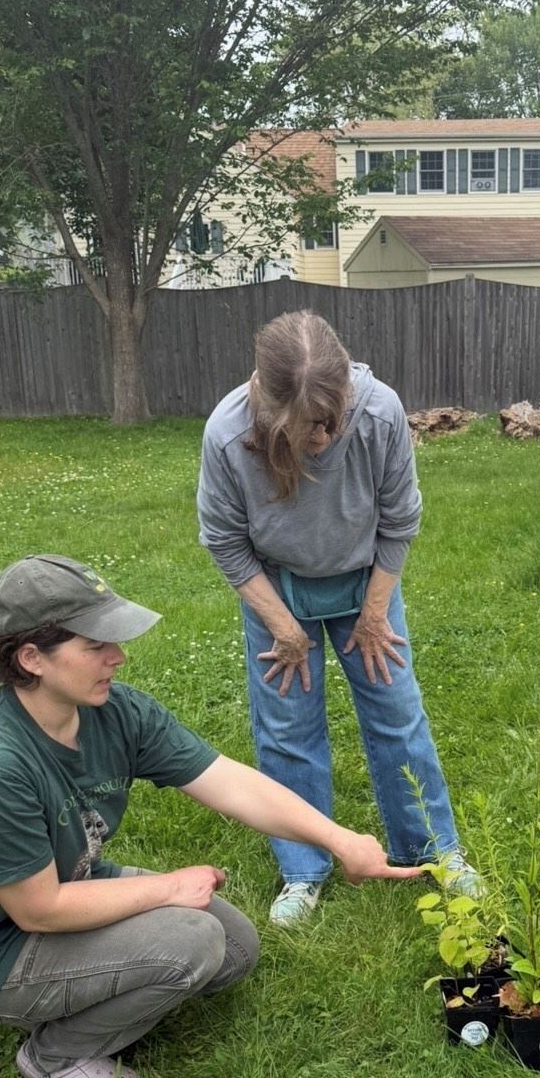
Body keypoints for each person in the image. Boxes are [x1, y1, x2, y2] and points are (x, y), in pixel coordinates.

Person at [0, 553, 420, 1078]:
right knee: (193, 942)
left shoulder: (115, 712)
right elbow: (39, 910)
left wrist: (340, 840)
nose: (118, 657)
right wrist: (169, 889)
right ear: (32, 658)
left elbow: (230, 783)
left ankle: (100, 995)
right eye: (95, 646)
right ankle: (53, 1055)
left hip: (69, 888)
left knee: (233, 949)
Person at [198, 310, 478, 927]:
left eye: (331, 421)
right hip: (276, 588)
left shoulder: (379, 415)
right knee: (288, 727)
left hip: (365, 582)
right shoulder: (227, 434)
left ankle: (434, 849)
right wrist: (282, 624)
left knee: (398, 716)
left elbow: (400, 520)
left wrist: (374, 614)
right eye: (305, 428)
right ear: (269, 407)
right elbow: (224, 541)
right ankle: (304, 870)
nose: (320, 439)